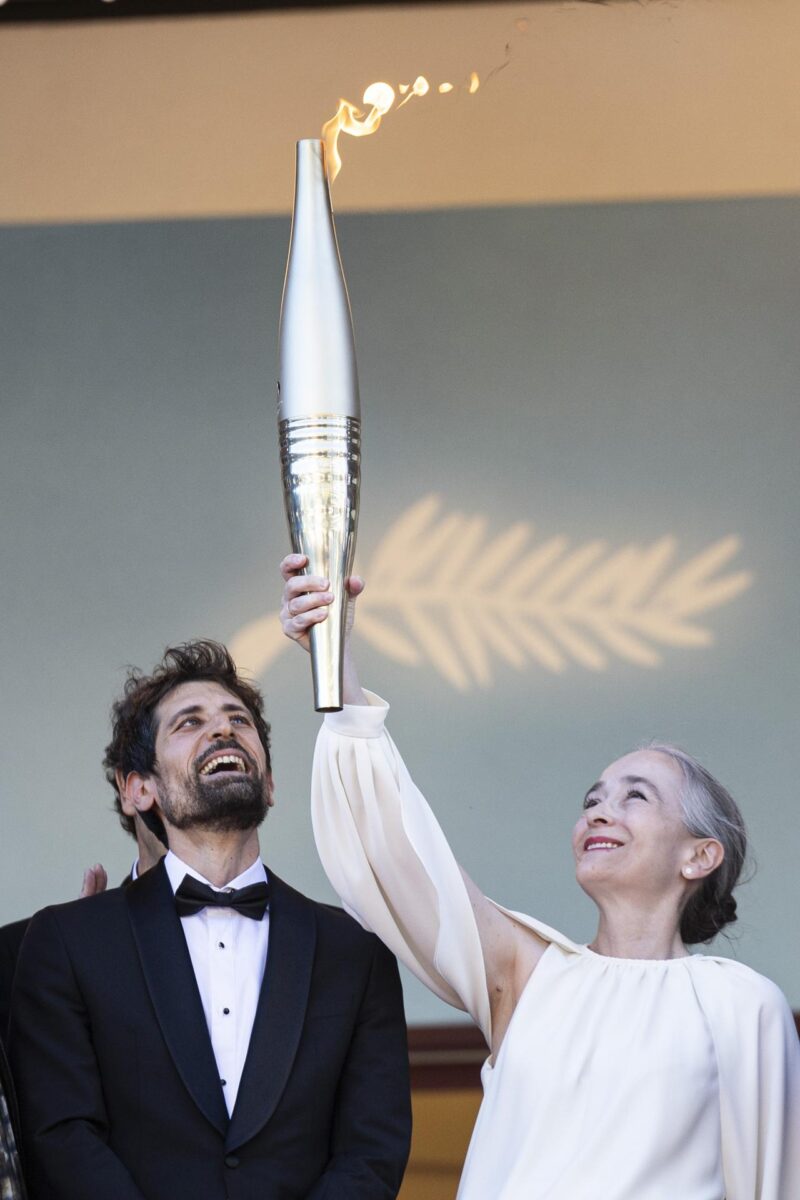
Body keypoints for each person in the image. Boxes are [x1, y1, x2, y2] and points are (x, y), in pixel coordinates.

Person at [281, 555, 800, 1200]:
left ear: (700, 856)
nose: (600, 811)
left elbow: (773, 1181)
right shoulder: (530, 976)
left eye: (636, 796)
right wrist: (336, 660)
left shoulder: (743, 1004)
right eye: (592, 799)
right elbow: (402, 855)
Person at [9, 640, 411, 1200]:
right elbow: (63, 1135)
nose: (222, 730)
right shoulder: (69, 941)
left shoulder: (354, 950)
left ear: (270, 783)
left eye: (238, 720)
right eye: (189, 723)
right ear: (139, 789)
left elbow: (372, 1150)